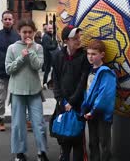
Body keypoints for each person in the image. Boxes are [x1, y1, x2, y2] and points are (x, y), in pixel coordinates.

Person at [5, 19, 48, 161]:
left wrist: (30, 51)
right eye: (24, 32)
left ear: (34, 32)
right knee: (18, 124)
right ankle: (19, 152)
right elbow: (9, 69)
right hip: (17, 91)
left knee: (39, 123)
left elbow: (38, 66)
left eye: (30, 32)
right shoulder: (12, 48)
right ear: (19, 32)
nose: (27, 34)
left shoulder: (38, 47)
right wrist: (21, 57)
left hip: (34, 91)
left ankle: (42, 152)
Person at [52, 25, 90, 161]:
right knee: (64, 139)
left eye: (79, 38)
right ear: (66, 40)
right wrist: (61, 100)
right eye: (74, 38)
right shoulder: (58, 56)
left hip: (78, 104)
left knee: (78, 140)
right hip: (62, 103)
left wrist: (72, 101)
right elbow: (55, 79)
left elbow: (83, 81)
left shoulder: (84, 56)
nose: (78, 41)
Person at [81, 40, 116, 161]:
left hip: (101, 113)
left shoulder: (106, 72)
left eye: (94, 54)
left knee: (104, 144)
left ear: (102, 55)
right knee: (93, 142)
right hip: (91, 112)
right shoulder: (90, 70)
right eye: (88, 53)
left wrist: (93, 110)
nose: (90, 57)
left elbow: (105, 95)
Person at [42, 24, 58, 89]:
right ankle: (45, 83)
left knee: (51, 69)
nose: (51, 29)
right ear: (47, 29)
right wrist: (55, 45)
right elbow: (47, 46)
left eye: (52, 28)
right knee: (47, 70)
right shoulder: (46, 36)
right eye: (49, 28)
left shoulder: (49, 36)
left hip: (50, 56)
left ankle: (49, 83)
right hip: (48, 56)